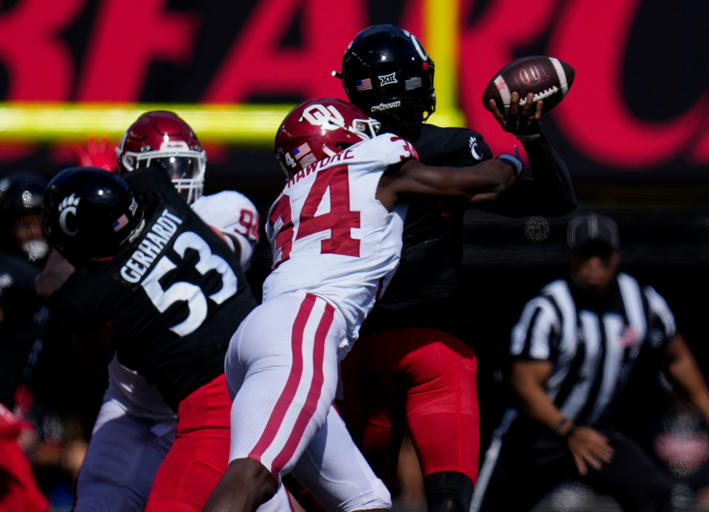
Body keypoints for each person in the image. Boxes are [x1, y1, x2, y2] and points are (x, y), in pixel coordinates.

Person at [203, 96, 522, 512]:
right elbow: (488, 182)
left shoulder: (287, 197)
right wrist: (516, 155)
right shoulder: (373, 159)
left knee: (367, 500)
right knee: (255, 475)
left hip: (258, 334)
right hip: (304, 325)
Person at [334, 24, 576, 511]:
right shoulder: (447, 148)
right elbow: (555, 200)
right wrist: (528, 137)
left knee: (349, 501)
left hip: (356, 347)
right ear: (408, 82)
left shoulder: (334, 158)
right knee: (449, 500)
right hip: (437, 345)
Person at [36, 110, 263, 512]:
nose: (173, 179)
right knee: (97, 502)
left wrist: (90, 221)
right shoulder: (109, 237)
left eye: (181, 167)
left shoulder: (223, 210)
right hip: (133, 405)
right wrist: (89, 212)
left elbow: (211, 249)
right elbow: (87, 341)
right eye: (161, 169)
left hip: (211, 404)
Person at [474, 212, 709, 512]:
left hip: (595, 432)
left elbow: (678, 359)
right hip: (536, 435)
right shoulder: (548, 309)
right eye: (585, 254)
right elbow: (524, 385)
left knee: (655, 498)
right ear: (570, 257)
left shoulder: (642, 303)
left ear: (616, 257)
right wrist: (567, 430)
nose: (594, 263)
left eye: (602, 254)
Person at [0, 171, 50, 512]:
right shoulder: (12, 275)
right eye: (22, 224)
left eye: (37, 222)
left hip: (21, 403)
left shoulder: (53, 269)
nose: (32, 232)